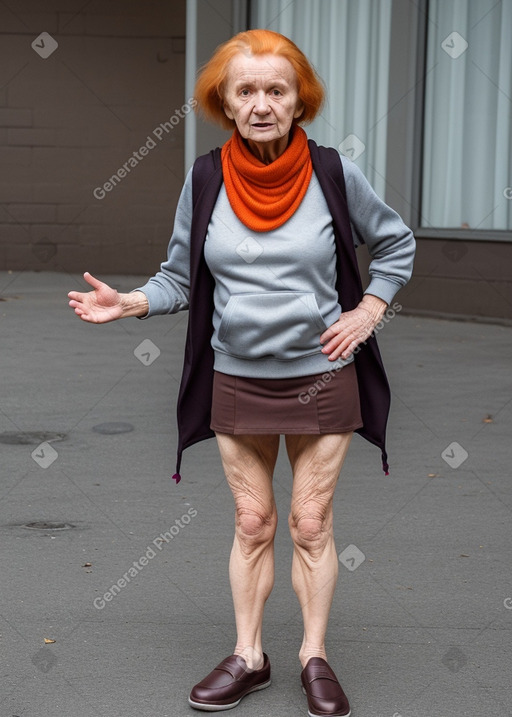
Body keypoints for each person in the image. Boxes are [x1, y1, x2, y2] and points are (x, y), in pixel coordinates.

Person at [68, 29, 415, 717]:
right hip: (238, 376)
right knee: (254, 521)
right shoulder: (204, 180)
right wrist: (132, 302)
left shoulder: (335, 175)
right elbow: (179, 278)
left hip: (322, 374)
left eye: (276, 90)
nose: (261, 104)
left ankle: (314, 655)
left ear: (299, 101)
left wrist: (371, 308)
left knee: (310, 521)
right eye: (246, 90)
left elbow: (397, 242)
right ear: (224, 102)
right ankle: (249, 655)